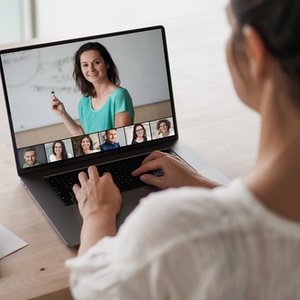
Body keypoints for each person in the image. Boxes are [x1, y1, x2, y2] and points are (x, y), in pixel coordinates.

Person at [66, 0, 300, 299]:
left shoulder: (175, 231)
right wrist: (203, 184)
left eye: (231, 29)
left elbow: (91, 291)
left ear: (254, 54)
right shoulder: (84, 101)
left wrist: (98, 214)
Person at [50, 42, 135, 136]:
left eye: (96, 62)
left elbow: (121, 139)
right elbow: (83, 135)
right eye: (85, 65)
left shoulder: (119, 95)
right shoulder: (84, 101)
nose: (91, 69)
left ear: (107, 64)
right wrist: (62, 114)